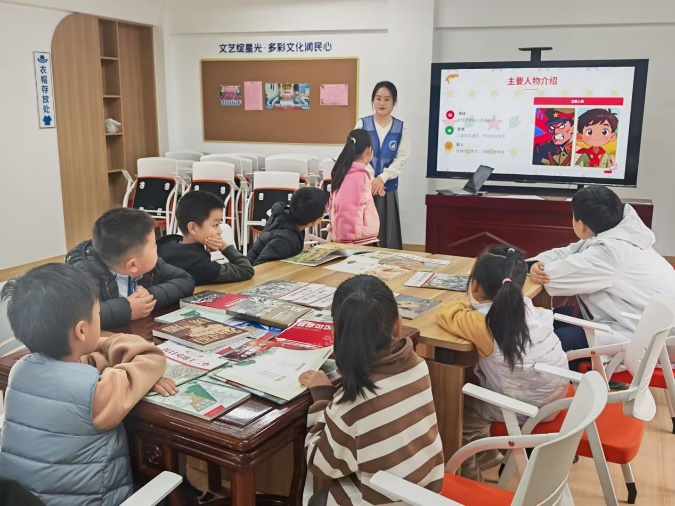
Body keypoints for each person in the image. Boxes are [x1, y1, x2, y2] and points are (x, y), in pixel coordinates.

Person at [0, 264, 176, 505]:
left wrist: (97, 351)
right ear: (82, 330)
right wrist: (108, 342)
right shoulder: (95, 393)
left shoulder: (20, 370)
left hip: (23, 499)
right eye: (98, 316)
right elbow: (151, 357)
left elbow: (78, 366)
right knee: (179, 491)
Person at [300, 275, 444, 505]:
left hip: (386, 499)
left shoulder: (352, 404)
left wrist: (323, 399)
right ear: (398, 326)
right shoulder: (419, 366)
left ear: (335, 331)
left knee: (317, 499)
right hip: (426, 494)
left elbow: (320, 464)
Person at [436, 246, 568, 482]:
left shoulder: (483, 323)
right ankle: (489, 455)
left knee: (454, 411)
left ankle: (469, 478)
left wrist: (468, 304)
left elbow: (445, 313)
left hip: (524, 409)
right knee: (474, 381)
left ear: (475, 286)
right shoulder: (532, 309)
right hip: (554, 399)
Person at [529, 185, 675, 356]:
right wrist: (536, 263)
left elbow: (551, 276)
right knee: (549, 319)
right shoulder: (622, 234)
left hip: (648, 340)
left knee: (542, 342)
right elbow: (569, 252)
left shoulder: (609, 253)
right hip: (641, 324)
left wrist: (535, 268)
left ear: (582, 226)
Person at [65, 208, 195, 330]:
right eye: (154, 246)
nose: (158, 249)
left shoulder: (150, 266)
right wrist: (127, 310)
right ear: (132, 265)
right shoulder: (83, 276)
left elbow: (185, 280)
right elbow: (75, 315)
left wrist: (150, 296)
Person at [157, 190, 254, 285]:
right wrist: (223, 246)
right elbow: (246, 270)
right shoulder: (200, 265)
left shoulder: (167, 242)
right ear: (193, 228)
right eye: (215, 225)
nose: (219, 231)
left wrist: (202, 250)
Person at [355, 81, 410, 249]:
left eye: (387, 99)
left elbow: (401, 159)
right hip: (365, 188)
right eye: (378, 98)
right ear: (373, 100)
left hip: (387, 188)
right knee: (364, 234)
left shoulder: (401, 128)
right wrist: (373, 179)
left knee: (388, 234)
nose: (382, 103)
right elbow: (356, 155)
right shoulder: (362, 124)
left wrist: (382, 178)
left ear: (394, 102)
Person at [246, 186, 328, 266]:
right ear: (314, 221)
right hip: (254, 271)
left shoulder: (284, 215)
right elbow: (260, 267)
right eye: (324, 213)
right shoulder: (284, 239)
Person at [328, 129, 380, 245]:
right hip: (357, 241)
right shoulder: (358, 176)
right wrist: (347, 239)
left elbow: (332, 205)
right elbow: (345, 206)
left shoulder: (342, 172)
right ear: (369, 151)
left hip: (354, 238)